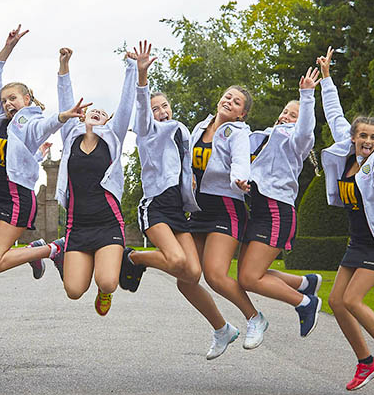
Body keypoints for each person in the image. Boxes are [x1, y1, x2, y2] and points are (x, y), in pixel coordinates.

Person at [122, 59, 244, 359]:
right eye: (155, 109)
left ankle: (222, 328)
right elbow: (140, 105)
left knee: (191, 273)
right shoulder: (148, 131)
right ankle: (134, 258)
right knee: (176, 260)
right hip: (156, 207)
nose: (161, 112)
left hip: (180, 210)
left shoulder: (183, 131)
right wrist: (140, 75)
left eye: (164, 106)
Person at [318, 46, 374, 390]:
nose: (366, 140)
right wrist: (326, 77)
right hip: (357, 240)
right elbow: (335, 113)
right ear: (353, 138)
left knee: (352, 300)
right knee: (336, 301)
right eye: (362, 136)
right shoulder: (345, 152)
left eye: (372, 136)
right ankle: (366, 362)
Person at [0, 25, 86, 280]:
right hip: (0, 197)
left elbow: (44, 125)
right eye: (4, 100)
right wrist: (9, 46)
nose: (7, 103)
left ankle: (51, 249)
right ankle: (37, 252)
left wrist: (61, 117)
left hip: (17, 199)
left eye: (13, 98)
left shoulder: (27, 121)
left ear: (26, 99)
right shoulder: (1, 120)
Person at [236, 66, 323, 338]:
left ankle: (305, 302)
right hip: (258, 210)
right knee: (246, 275)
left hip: (276, 210)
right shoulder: (261, 137)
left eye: (292, 115)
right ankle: (304, 283)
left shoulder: (295, 141)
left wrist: (306, 95)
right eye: (285, 112)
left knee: (250, 278)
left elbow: (306, 130)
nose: (285, 116)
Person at [54, 40, 139, 316]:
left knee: (107, 282)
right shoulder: (71, 136)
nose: (98, 112)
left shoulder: (112, 137)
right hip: (77, 226)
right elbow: (66, 104)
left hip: (107, 222)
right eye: (93, 110)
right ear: (84, 116)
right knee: (74, 291)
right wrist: (64, 67)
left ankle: (108, 282)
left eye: (104, 113)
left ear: (108, 121)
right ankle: (61, 255)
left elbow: (126, 104)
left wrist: (131, 68)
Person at [186, 83, 269, 350]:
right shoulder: (199, 128)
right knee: (185, 278)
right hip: (199, 208)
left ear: (241, 114)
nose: (229, 102)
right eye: (227, 97)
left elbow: (240, 161)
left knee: (215, 275)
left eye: (236, 103)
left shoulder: (238, 132)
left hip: (226, 206)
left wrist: (240, 179)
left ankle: (255, 318)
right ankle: (222, 329)